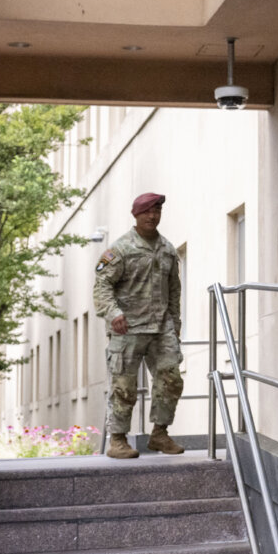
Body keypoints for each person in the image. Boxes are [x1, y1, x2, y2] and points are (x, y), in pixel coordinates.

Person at [93, 192, 185, 459]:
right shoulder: (120, 249)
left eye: (157, 211)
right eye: (147, 212)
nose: (152, 216)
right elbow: (102, 285)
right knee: (124, 385)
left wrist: (175, 322)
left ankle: (160, 434)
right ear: (136, 215)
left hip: (161, 327)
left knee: (171, 379)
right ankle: (118, 440)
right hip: (128, 328)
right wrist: (113, 314)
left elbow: (174, 290)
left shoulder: (167, 249)